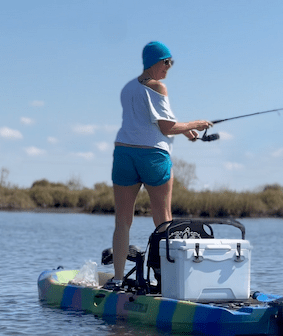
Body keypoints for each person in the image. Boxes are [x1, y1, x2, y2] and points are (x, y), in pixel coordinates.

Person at [104, 41, 213, 290]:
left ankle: (118, 279)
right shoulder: (158, 87)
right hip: (152, 156)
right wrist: (195, 124)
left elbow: (151, 120)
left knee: (122, 221)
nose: (169, 67)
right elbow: (165, 127)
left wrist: (184, 131)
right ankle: (170, 281)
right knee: (163, 220)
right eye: (167, 62)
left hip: (123, 154)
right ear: (156, 61)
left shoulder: (128, 88)